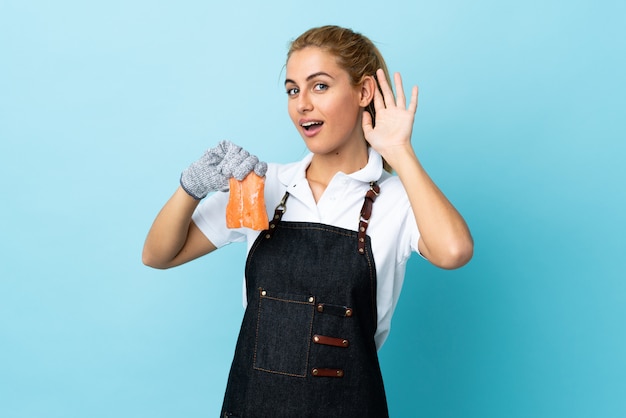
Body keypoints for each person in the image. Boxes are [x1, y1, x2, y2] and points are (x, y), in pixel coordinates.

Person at [143, 25, 473, 417]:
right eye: (292, 89)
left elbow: (454, 251)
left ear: (364, 92)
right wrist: (191, 187)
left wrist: (400, 153)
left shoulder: (398, 201)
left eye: (319, 86)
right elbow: (158, 254)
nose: (301, 104)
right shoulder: (266, 187)